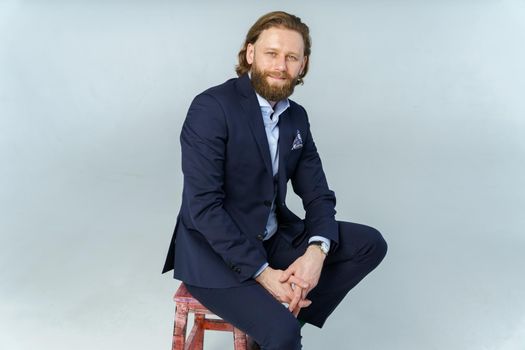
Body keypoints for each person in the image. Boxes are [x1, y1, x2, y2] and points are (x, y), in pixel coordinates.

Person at [162, 11, 387, 350]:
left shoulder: (296, 117)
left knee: (370, 243)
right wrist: (264, 273)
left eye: (291, 57)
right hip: (214, 255)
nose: (281, 65)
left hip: (271, 236)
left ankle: (291, 310)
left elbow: (318, 195)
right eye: (272, 53)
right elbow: (204, 209)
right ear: (251, 53)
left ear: (303, 65)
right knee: (282, 335)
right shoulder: (211, 108)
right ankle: (279, 327)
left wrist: (315, 254)